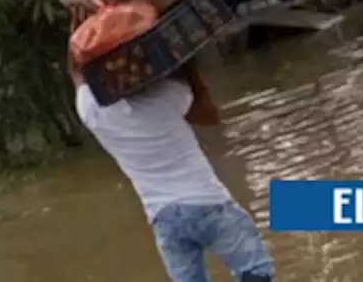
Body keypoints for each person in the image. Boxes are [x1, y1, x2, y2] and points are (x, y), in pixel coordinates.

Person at [72, 57, 275, 282]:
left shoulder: (93, 111)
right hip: (208, 202)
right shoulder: (166, 94)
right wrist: (190, 70)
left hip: (164, 218)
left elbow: (76, 68)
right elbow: (210, 116)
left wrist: (81, 28)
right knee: (256, 271)